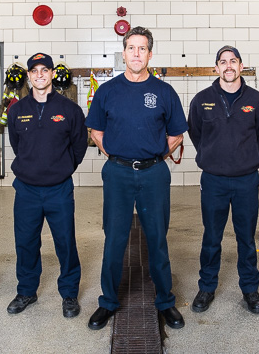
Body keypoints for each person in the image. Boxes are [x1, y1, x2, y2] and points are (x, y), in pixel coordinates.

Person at [85, 26, 187, 331]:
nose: (137, 54)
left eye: (143, 49)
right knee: (114, 238)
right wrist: (115, 154)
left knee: (157, 238)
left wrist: (154, 157)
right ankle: (108, 303)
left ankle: (166, 302)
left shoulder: (164, 92)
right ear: (124, 52)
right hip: (117, 173)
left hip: (154, 173)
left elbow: (177, 134)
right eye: (131, 48)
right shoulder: (107, 91)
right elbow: (95, 130)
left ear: (150, 54)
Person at [187, 45, 259, 315]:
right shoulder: (202, 100)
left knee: (246, 238)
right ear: (216, 68)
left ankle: (250, 289)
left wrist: (244, 156)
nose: (228, 66)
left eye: (233, 61)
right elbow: (195, 134)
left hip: (247, 180)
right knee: (211, 237)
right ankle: (207, 286)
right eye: (223, 62)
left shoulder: (257, 100)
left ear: (241, 65)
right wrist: (213, 157)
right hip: (213, 181)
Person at [6, 53, 88, 318]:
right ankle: (27, 291)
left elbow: (78, 146)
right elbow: (17, 146)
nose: (39, 75)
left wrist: (61, 168)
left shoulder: (70, 110)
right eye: (34, 71)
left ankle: (69, 294)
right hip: (27, 190)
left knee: (65, 242)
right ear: (28, 76)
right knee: (26, 243)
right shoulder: (17, 110)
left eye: (44, 70)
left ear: (52, 73)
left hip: (59, 189)